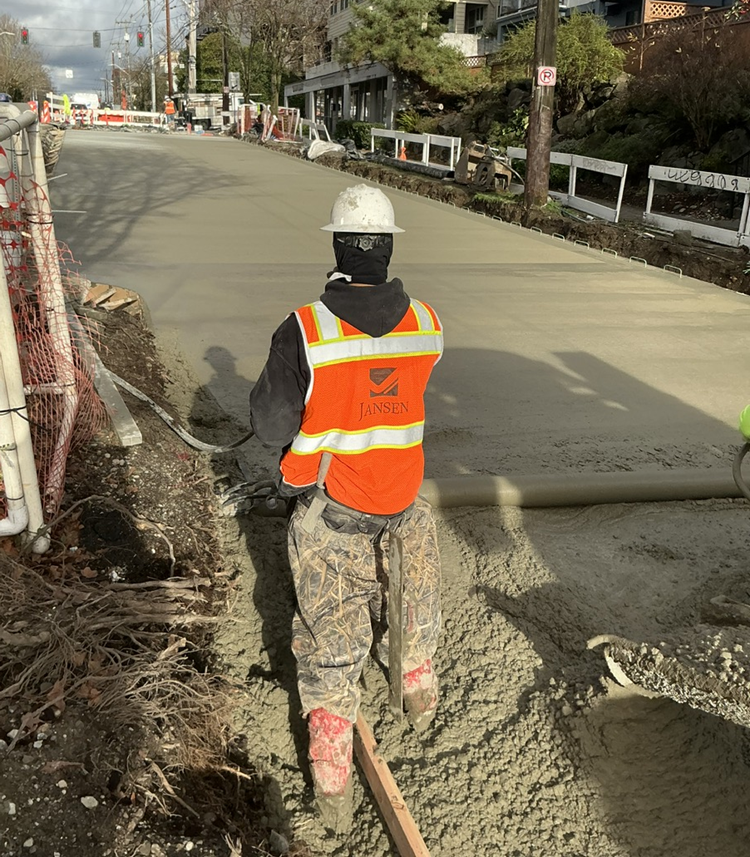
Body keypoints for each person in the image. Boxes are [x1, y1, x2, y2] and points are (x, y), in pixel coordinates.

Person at [248, 184, 444, 827]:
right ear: (388, 248)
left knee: (330, 636)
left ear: (337, 246)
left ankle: (333, 786)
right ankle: (416, 692)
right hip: (403, 500)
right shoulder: (427, 323)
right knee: (412, 599)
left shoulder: (305, 328)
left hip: (334, 507)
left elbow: (272, 425)